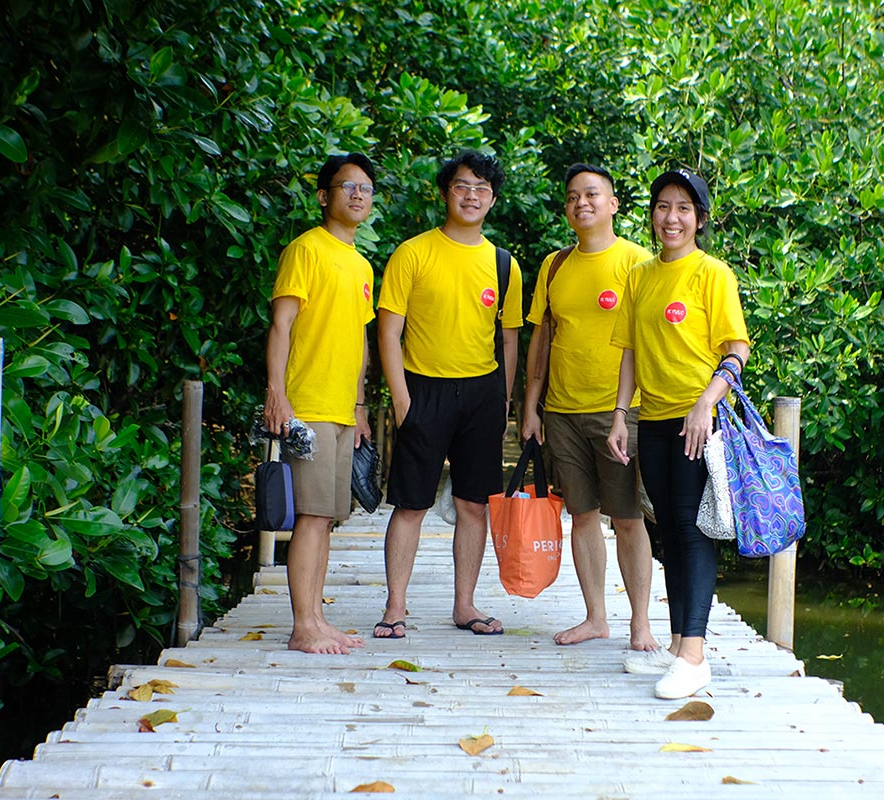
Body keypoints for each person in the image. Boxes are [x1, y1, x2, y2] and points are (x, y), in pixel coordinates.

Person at [607, 168, 750, 699]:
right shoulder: (640, 276)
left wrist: (705, 403)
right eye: (663, 206)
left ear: (700, 219)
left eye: (684, 209)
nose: (672, 217)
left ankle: (695, 654)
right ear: (651, 214)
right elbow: (628, 351)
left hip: (699, 422)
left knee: (694, 531)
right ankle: (675, 646)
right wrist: (622, 414)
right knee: (667, 526)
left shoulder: (713, 274)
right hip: (654, 419)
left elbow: (736, 350)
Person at [373, 150, 522, 639]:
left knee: (474, 504)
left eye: (481, 189)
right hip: (423, 388)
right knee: (411, 503)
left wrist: (503, 401)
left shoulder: (504, 264)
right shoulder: (413, 253)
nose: (471, 195)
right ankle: (395, 606)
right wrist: (401, 401)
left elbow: (508, 339)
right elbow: (389, 332)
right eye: (462, 186)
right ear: (445, 193)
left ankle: (465, 605)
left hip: (481, 393)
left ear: (493, 199)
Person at [520, 163, 663, 654]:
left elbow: (655, 338)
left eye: (592, 195)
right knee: (582, 515)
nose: (581, 203)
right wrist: (531, 406)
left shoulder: (639, 263)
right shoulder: (554, 265)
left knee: (626, 518)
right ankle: (595, 617)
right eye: (573, 197)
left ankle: (640, 623)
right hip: (561, 411)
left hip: (622, 413)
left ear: (613, 204)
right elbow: (542, 336)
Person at [264, 153, 376, 655]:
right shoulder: (305, 250)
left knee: (326, 516)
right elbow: (282, 325)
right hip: (305, 404)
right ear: (323, 196)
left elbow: (358, 341)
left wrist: (359, 405)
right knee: (310, 515)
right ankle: (302, 626)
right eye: (347, 186)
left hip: (339, 409)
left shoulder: (361, 263)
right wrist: (277, 393)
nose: (357, 195)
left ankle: (316, 617)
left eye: (366, 188)